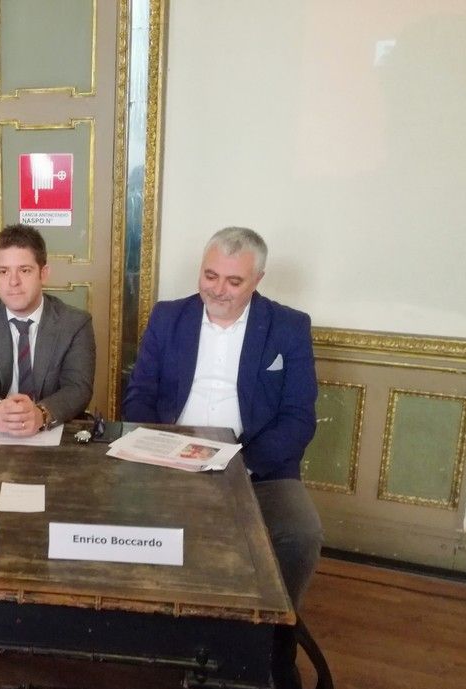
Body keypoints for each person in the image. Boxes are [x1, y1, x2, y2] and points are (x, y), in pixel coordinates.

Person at [123, 226, 322, 609]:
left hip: (256, 469)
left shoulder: (288, 327)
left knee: (300, 533)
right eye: (210, 275)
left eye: (234, 281)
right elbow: (140, 395)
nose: (217, 290)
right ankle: (156, 616)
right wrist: (162, 450)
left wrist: (239, 465)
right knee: (116, 515)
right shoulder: (168, 317)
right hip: (170, 459)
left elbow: (298, 418)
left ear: (258, 280)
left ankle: (273, 629)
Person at [0, 224, 95, 436]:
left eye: (24, 270)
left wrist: (41, 414)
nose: (13, 282)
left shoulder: (75, 323)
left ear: (43, 274)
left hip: (51, 431)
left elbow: (78, 388)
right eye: (3, 271)